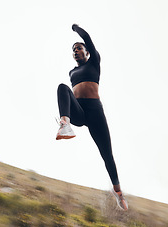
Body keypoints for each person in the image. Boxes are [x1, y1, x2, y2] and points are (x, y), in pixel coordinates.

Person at [56, 24, 128, 211]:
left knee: (107, 154)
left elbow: (87, 38)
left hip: (95, 111)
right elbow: (69, 93)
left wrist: (76, 28)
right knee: (62, 87)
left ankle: (118, 191)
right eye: (73, 50)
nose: (76, 51)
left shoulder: (94, 62)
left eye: (79, 48)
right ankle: (65, 123)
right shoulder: (72, 73)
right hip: (79, 111)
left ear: (87, 52)